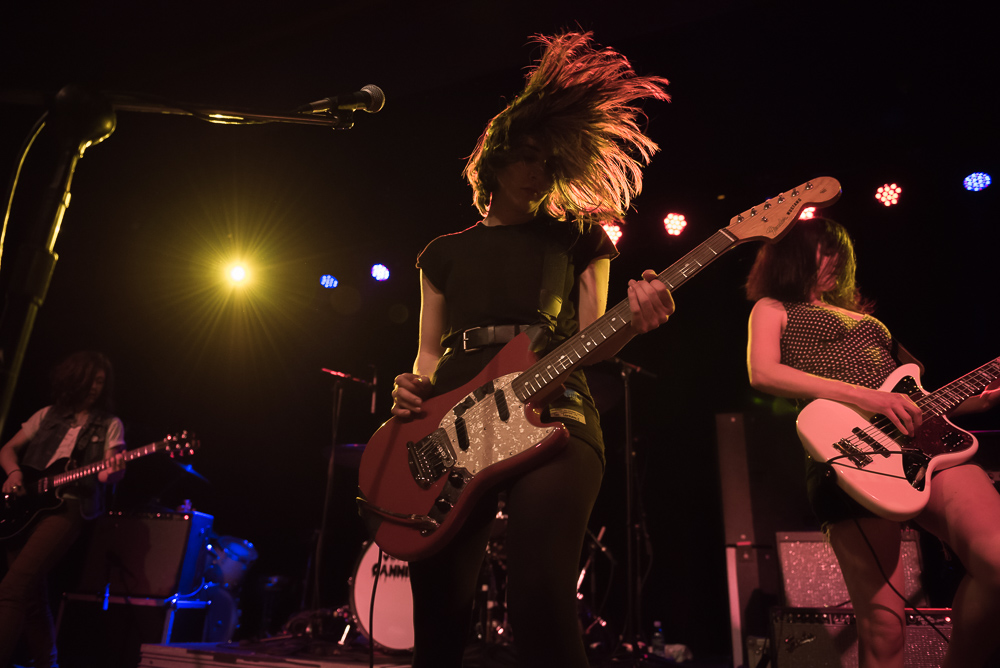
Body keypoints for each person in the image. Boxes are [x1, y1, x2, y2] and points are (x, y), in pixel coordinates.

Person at [387, 32, 674, 668]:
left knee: (539, 598)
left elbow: (594, 340)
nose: (539, 171)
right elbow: (428, 355)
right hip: (454, 422)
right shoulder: (443, 253)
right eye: (527, 157)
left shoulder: (581, 239)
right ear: (496, 160)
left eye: (550, 160)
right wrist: (412, 388)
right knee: (439, 609)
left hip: (554, 412)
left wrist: (635, 322)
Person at [745, 217, 1000, 668]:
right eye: (825, 251)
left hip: (925, 443)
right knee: (885, 629)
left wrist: (976, 402)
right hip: (850, 452)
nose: (835, 261)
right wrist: (867, 397)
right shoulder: (773, 307)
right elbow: (763, 373)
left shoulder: (871, 322)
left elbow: (916, 399)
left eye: (839, 254)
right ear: (793, 256)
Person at [0, 351, 125, 668]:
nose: (96, 387)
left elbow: (106, 475)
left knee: (12, 589)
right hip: (27, 507)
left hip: (68, 507)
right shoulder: (47, 415)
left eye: (101, 382)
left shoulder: (110, 425)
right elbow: (8, 449)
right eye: (91, 379)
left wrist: (114, 471)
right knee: (30, 597)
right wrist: (14, 473)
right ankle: (48, 663)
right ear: (74, 378)